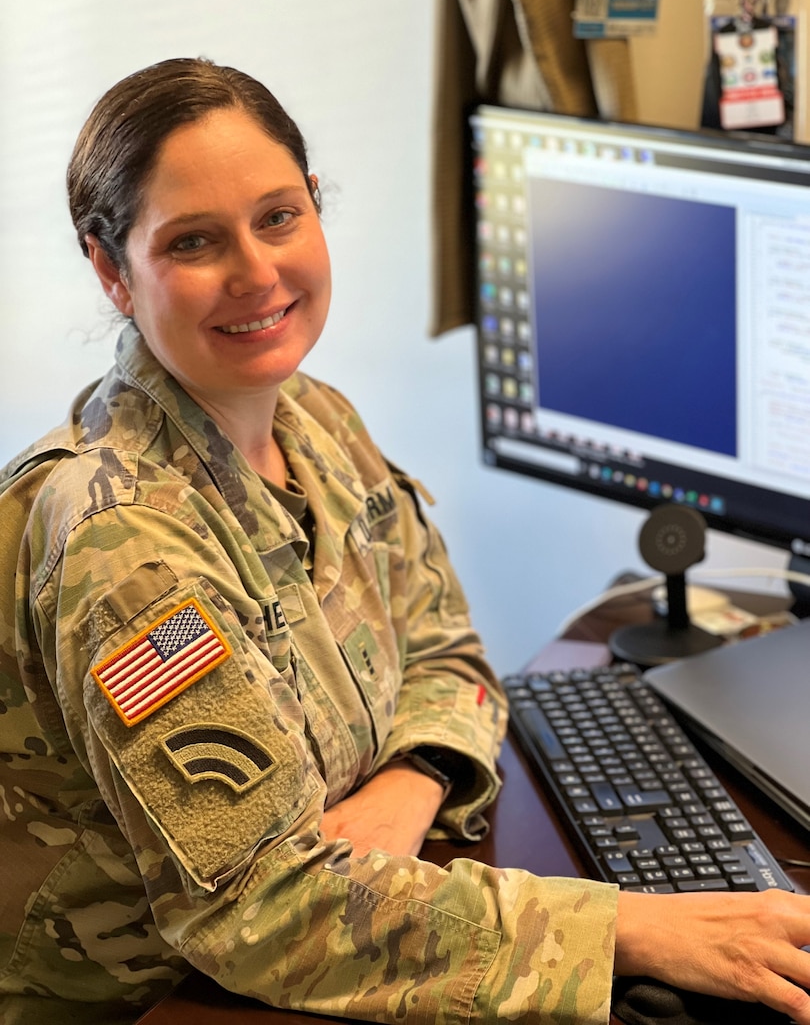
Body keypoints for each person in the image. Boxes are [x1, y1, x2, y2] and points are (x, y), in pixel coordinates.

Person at [0, 57, 808, 1025]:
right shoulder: (123, 543)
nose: (257, 272)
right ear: (110, 269)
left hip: (341, 933)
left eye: (279, 216)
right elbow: (259, 911)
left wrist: (414, 777)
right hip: (157, 1000)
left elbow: (447, 649)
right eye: (194, 241)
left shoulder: (314, 421)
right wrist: (631, 931)